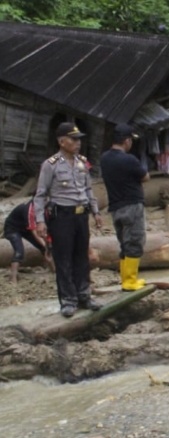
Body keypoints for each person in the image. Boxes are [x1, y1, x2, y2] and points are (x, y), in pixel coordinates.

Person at [34, 122, 103, 318]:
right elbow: (40, 195)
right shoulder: (51, 165)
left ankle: (84, 296)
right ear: (62, 141)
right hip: (61, 216)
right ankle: (68, 300)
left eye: (79, 139)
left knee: (81, 257)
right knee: (63, 258)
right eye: (73, 139)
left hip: (81, 216)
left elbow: (89, 189)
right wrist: (40, 221)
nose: (77, 143)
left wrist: (96, 212)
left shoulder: (82, 162)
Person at [100, 124, 149, 291]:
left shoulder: (104, 158)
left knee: (124, 242)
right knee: (135, 241)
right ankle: (130, 281)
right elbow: (145, 177)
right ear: (127, 141)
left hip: (115, 207)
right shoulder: (129, 160)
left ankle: (125, 279)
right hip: (132, 205)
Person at [3, 201, 53, 284]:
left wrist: (48, 245)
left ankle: (54, 272)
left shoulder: (47, 207)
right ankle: (13, 278)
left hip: (26, 228)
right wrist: (45, 245)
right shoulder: (29, 209)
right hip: (13, 228)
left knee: (46, 249)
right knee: (19, 251)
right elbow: (34, 232)